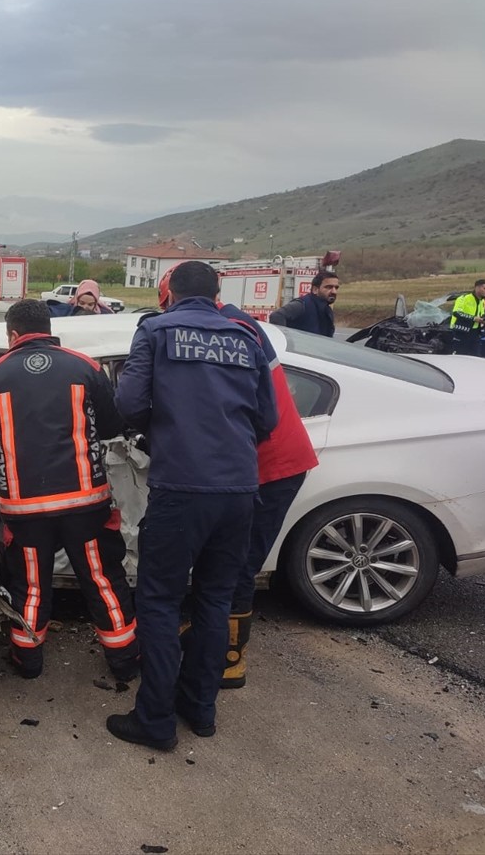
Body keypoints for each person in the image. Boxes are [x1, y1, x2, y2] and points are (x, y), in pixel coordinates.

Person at [109, 261, 278, 751]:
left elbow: (128, 403)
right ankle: (200, 710)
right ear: (218, 292)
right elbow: (267, 418)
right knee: (214, 599)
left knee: (160, 601)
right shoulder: (246, 337)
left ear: (170, 292)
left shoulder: (157, 332)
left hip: (181, 487)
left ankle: (156, 721)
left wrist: (160, 428)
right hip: (239, 491)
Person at [157, 268, 318, 688]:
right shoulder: (239, 325)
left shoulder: (232, 329)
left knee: (238, 566)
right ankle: (209, 641)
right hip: (256, 461)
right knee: (224, 567)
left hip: (266, 466)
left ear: (173, 299)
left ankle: (230, 659)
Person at [0, 298, 139, 683]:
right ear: (49, 329)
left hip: (25, 508)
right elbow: (114, 427)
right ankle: (125, 660)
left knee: (30, 585)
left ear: (11, 333)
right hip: (85, 503)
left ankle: (28, 660)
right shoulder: (86, 367)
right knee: (101, 579)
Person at [268, 272, 340, 337]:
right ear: (315, 290)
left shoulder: (327, 311)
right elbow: (277, 316)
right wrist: (285, 339)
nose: (334, 291)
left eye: (336, 288)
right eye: (329, 287)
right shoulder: (302, 305)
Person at [449, 278, 485, 357]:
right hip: (461, 331)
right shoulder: (464, 298)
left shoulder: (481, 301)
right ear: (477, 288)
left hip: (475, 333)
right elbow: (456, 312)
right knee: (460, 356)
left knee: (475, 357)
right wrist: (474, 318)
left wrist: (483, 319)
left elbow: (481, 314)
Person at [46, 278, 112, 318]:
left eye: (90, 304)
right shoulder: (66, 310)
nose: (85, 307)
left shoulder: (105, 316)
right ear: (77, 300)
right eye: (82, 303)